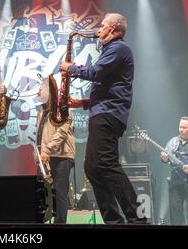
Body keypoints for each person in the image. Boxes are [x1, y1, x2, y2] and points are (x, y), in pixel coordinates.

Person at [59, 13, 147, 224]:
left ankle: (138, 219)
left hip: (109, 114)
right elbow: (108, 87)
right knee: (92, 167)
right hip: (103, 111)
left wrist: (69, 68)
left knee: (105, 164)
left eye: (103, 25)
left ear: (114, 29)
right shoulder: (111, 50)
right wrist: (82, 103)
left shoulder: (119, 48)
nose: (99, 29)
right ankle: (114, 220)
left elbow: (96, 72)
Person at [35, 78, 89, 224]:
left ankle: (60, 223)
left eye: (41, 88)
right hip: (46, 156)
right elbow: (39, 135)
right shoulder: (41, 112)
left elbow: (61, 133)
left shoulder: (62, 109)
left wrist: (46, 150)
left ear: (49, 91)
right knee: (43, 191)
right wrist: (38, 154)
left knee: (60, 190)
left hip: (62, 156)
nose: (37, 91)